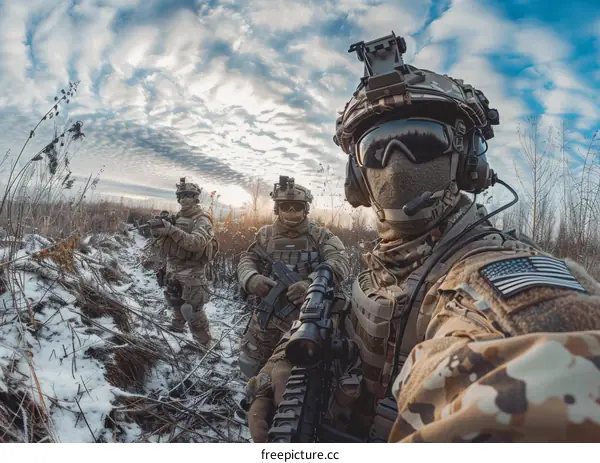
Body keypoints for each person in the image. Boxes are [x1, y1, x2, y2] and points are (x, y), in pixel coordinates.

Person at [243, 33, 600, 443]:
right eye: (374, 150)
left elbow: (551, 374)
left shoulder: (493, 285)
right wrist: (287, 359)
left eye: (422, 140)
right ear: (357, 178)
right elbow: (339, 314)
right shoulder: (385, 263)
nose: (395, 166)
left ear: (467, 160)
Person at [236, 175, 351, 380]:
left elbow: (340, 261)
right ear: (277, 209)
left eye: (296, 206)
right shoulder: (265, 235)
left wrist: (311, 283)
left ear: (305, 209)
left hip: (307, 318)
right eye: (285, 206)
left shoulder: (321, 236)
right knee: (250, 367)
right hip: (268, 316)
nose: (291, 211)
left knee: (300, 375)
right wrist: (251, 278)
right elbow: (247, 259)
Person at [151, 177, 219, 347]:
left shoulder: (202, 219)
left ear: (196, 197)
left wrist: (170, 229)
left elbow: (196, 243)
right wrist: (158, 232)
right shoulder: (176, 218)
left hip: (192, 273)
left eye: (188, 195)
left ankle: (204, 344)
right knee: (174, 301)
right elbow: (163, 244)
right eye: (181, 196)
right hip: (173, 268)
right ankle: (177, 328)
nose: (183, 199)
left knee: (194, 311)